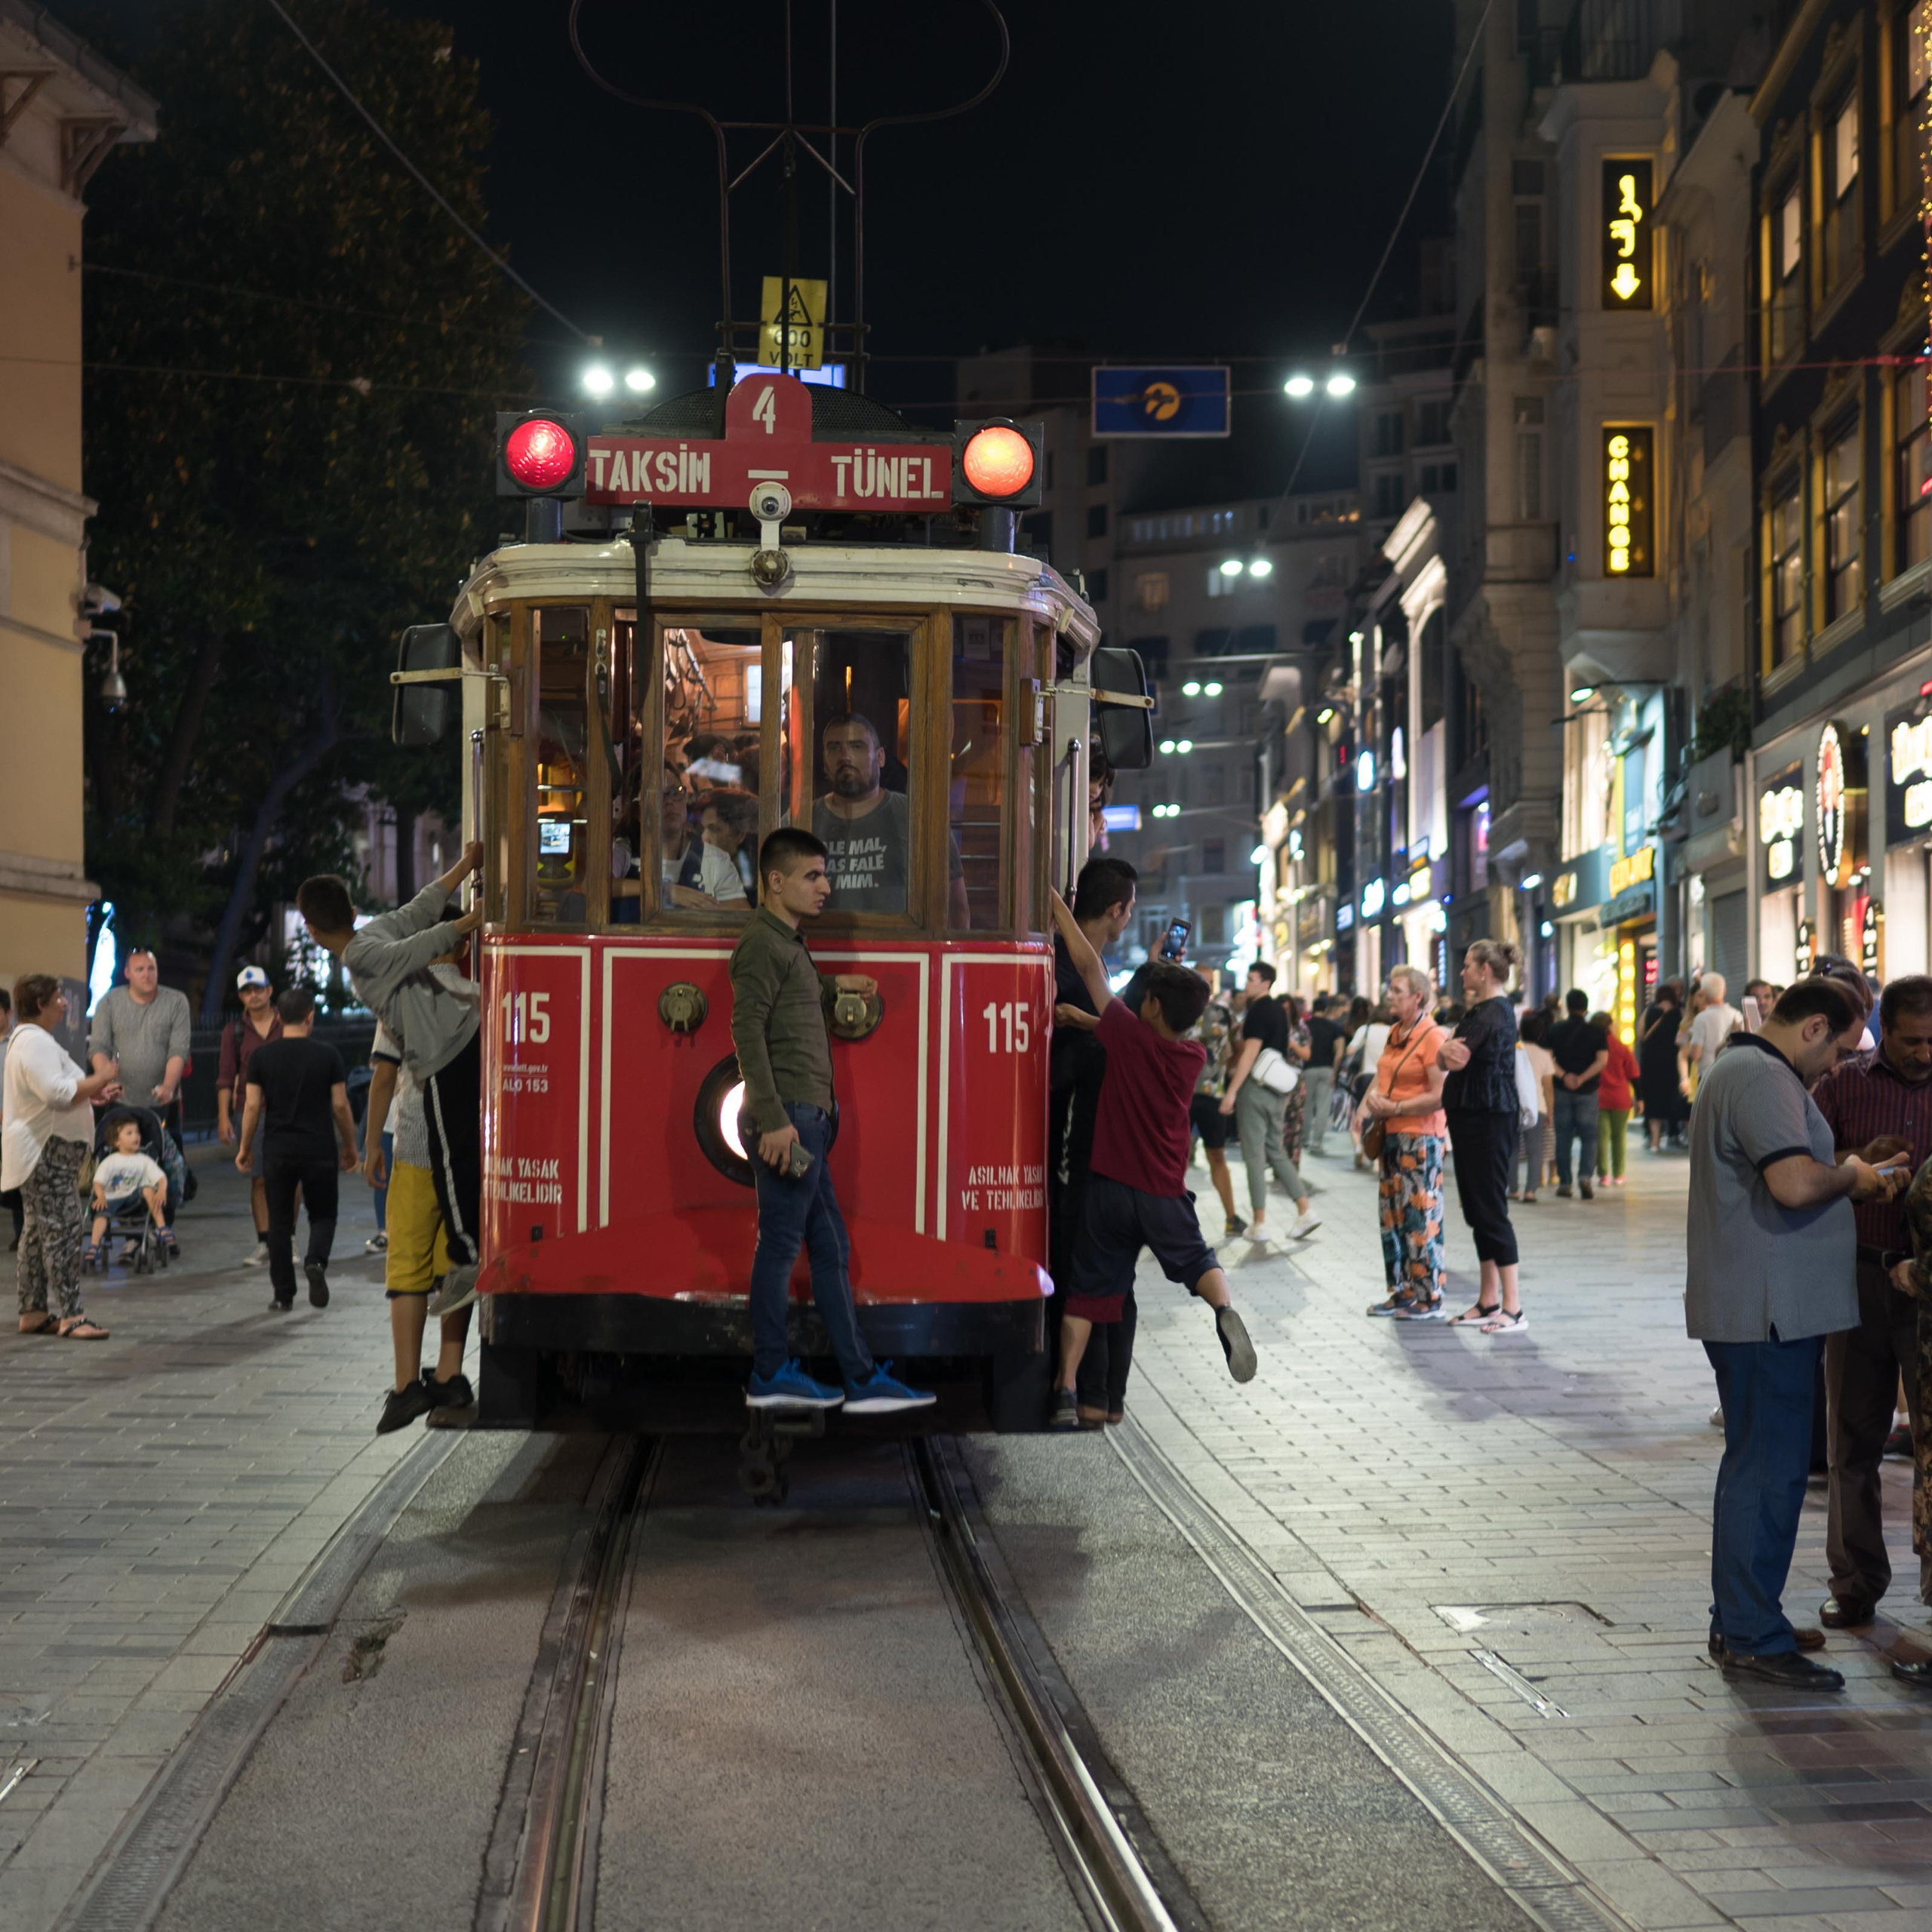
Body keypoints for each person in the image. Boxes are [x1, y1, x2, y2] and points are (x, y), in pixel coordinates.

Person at [1687, 975, 1906, 1690]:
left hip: (1763, 1306)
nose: (1837, 1068)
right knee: (1769, 1471)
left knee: (1758, 1465)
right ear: (1813, 1028)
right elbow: (1792, 1184)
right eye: (1839, 1051)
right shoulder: (1760, 1075)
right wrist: (1852, 1177)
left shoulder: (1745, 1069)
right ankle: (1752, 1632)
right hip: (1766, 1311)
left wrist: (1848, 1167)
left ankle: (1746, 1616)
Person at [729, 826, 935, 1412]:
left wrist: (830, 987)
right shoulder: (763, 944)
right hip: (788, 1117)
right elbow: (746, 1028)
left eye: (825, 875)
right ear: (776, 881)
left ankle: (859, 1378)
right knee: (783, 1246)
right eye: (813, 876)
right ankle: (772, 1373)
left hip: (803, 1116)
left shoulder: (785, 942)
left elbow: (789, 1000)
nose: (827, 886)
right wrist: (771, 1119)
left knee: (828, 1246)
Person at [1046, 889, 1256, 1429]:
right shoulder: (1193, 1055)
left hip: (1109, 1190)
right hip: (1162, 1193)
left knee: (1088, 1293)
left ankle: (1068, 1388)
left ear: (1153, 1006)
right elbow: (1136, 1033)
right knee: (1199, 1261)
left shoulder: (1129, 1037)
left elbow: (1091, 967)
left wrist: (1058, 906)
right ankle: (1223, 1310)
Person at [298, 846, 486, 1318]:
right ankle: (468, 1253)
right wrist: (463, 869)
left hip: (444, 1049)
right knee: (456, 1155)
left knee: (450, 1159)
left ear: (313, 930)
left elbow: (417, 943)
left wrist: (471, 918)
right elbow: (418, 912)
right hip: (458, 1037)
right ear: (355, 911)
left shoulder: (361, 956)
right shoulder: (371, 936)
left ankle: (469, 1257)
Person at [1809, 972, 1932, 1659]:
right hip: (1858, 1273)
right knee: (1852, 1439)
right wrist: (1856, 1165)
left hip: (1928, 1285)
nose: (1925, 1052)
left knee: (1931, 1447)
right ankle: (1856, 1581)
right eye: (1913, 1041)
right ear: (1887, 1030)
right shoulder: (1845, 1085)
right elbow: (1799, 1165)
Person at [1051, 858, 1155, 1425]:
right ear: (1116, 909)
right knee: (1107, 1278)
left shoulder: (1079, 972)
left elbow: (1104, 1003)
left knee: (1093, 1277)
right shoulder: (1073, 973)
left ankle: (1094, 1395)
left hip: (1089, 1159)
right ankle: (1103, 1398)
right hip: (1086, 1155)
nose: (1129, 916)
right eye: (1130, 907)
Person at [363, 940, 476, 1433]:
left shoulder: (399, 999)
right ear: (465, 942)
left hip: (412, 1145)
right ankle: (450, 1372)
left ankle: (408, 1385)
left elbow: (383, 1078)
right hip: (464, 1149)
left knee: (406, 1266)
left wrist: (371, 1145)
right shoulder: (477, 997)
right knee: (457, 1260)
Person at [4, 974, 122, 1338]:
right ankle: (72, 1316)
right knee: (64, 1231)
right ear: (41, 1004)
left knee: (38, 1235)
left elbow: (61, 1092)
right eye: (59, 997)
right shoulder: (34, 1042)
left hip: (42, 1150)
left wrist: (91, 1093)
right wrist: (101, 1078)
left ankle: (35, 1311)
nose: (65, 1002)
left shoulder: (33, 1041)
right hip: (46, 1151)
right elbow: (56, 1093)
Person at [236, 988, 358, 1312]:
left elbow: (251, 1107)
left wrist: (246, 1147)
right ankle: (315, 1261)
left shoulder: (262, 1057)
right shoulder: (328, 1055)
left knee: (278, 1221)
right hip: (318, 1147)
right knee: (323, 1214)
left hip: (277, 1148)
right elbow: (340, 1105)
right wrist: (351, 1145)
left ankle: (283, 1295)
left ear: (278, 1016)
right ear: (310, 1017)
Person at [1438, 940, 1526, 1333]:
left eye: (1468, 965)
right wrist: (1443, 1052)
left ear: (1485, 970)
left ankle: (1514, 1307)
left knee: (1490, 1210)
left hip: (1488, 1118)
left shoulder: (1491, 1014)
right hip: (1475, 1116)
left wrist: (1443, 1051)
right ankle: (1489, 1299)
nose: (1462, 972)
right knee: (1478, 1211)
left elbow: (1453, 1056)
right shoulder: (1485, 1012)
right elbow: (1446, 1055)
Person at [810, 712, 969, 924]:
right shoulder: (801, 820)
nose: (845, 756)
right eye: (835, 747)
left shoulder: (919, 819)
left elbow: (956, 906)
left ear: (881, 757)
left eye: (857, 746)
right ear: (825, 760)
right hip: (819, 948)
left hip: (901, 950)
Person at [1359, 965, 1449, 1320]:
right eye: (1390, 989)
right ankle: (1403, 1292)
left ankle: (1431, 1298)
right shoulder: (1396, 1033)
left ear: (1418, 997)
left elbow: (1440, 1094)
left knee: (1420, 1216)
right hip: (1392, 1136)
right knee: (1393, 1216)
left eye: (1397, 990)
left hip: (1421, 1137)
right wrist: (1366, 1107)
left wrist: (1395, 1106)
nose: (1389, 996)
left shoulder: (1432, 1037)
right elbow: (1383, 1076)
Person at [88, 947, 190, 1220]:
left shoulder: (176, 1001)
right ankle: (127, 1225)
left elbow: (178, 1050)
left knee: (167, 1164)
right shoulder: (109, 1003)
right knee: (121, 1166)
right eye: (140, 969)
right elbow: (98, 1046)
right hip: (121, 1100)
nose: (147, 974)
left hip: (162, 1101)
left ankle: (164, 1224)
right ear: (128, 973)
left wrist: (168, 1086)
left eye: (151, 969)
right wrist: (104, 1078)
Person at [1220, 961, 1318, 1247]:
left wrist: (1232, 1092)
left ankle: (1259, 1222)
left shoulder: (1258, 1012)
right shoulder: (1279, 1011)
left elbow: (1250, 1054)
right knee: (1276, 1150)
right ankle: (1305, 1210)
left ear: (1266, 983)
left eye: (1252, 979)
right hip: (1279, 1089)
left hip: (1257, 1087)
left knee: (1253, 1155)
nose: (1248, 984)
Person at [217, 965, 284, 1265]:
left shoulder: (288, 1023)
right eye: (247, 991)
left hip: (288, 1109)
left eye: (258, 989)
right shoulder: (235, 1031)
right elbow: (225, 1077)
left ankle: (289, 1239)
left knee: (289, 1179)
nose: (253, 995)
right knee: (258, 1178)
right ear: (242, 997)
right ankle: (265, 1242)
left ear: (270, 990)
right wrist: (223, 1118)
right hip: (250, 1112)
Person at [1188, 986, 1244, 1239]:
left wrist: (1226, 1076)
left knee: (1217, 1155)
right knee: (1173, 1158)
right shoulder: (1177, 1008)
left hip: (1212, 1094)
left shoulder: (1222, 1013)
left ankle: (1231, 1217)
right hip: (1182, 1093)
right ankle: (1164, 1221)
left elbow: (1237, 1047)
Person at [1546, 989, 1609, 1200]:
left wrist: (1565, 1076)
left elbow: (1548, 1058)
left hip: (1562, 1090)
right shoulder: (1597, 1032)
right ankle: (1585, 1177)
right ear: (1586, 1007)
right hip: (1588, 1091)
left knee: (1563, 1136)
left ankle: (1565, 1182)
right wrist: (1582, 1078)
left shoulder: (1555, 1030)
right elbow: (1602, 1060)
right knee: (1589, 1136)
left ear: (1567, 1006)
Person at [85, 1114, 168, 1263]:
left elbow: (160, 1177)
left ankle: (162, 1228)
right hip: (112, 1197)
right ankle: (94, 1245)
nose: (136, 1136)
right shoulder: (110, 1161)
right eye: (129, 1133)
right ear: (117, 1141)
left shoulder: (144, 1160)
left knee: (148, 1189)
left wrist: (161, 1190)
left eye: (137, 1132)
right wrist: (100, 1196)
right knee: (101, 1213)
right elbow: (98, 1182)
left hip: (135, 1198)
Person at [1346, 1001, 1393, 1171]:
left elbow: (1350, 1050)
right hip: (1384, 1077)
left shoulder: (1365, 1030)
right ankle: (1376, 1158)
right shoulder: (1392, 1031)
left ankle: (1360, 1146)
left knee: (1360, 1114)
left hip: (1364, 1076)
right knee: (1379, 1116)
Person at [1593, 1012, 1638, 1186]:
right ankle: (1619, 1174)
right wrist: (1640, 1098)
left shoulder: (1593, 1047)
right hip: (1620, 1097)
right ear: (1611, 1025)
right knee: (1619, 1137)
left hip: (1598, 1097)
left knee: (1602, 1137)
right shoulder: (1621, 1047)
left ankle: (1603, 1175)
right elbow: (1634, 1074)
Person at [1640, 979, 1685, 1150]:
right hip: (1671, 1063)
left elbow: (1641, 1035)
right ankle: (1674, 1134)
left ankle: (1655, 1141)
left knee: (1653, 1102)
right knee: (1672, 1099)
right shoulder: (1679, 1013)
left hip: (1650, 1063)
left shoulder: (1649, 1011)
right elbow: (1683, 1037)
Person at [1515, 1011, 1555, 1202]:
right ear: (1540, 1034)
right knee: (1535, 1150)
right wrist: (1550, 1112)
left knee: (1512, 1148)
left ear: (1520, 1031)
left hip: (1514, 1106)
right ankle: (1530, 1190)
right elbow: (1548, 1088)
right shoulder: (1544, 1055)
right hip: (1537, 1105)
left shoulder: (1513, 1051)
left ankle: (1512, 1188)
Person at [1682, 970, 1740, 1097]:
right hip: (1731, 1073)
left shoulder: (1701, 1019)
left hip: (1708, 1075)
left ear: (1704, 993)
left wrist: (1690, 1049)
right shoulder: (1736, 1015)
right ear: (1724, 990)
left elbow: (1696, 1054)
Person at [1303, 993, 1345, 1158]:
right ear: (1326, 1009)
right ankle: (1317, 1143)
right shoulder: (1334, 1027)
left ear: (1312, 1010)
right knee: (1323, 1106)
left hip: (1308, 1069)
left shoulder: (1305, 1025)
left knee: (1307, 1105)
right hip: (1327, 1069)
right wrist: (1335, 1072)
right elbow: (1340, 1052)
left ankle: (1305, 1139)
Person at [0, 986, 21, 1251]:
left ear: (9, 1013)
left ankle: (22, 1232)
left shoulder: (18, 1042)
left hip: (14, 1123)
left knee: (16, 1182)